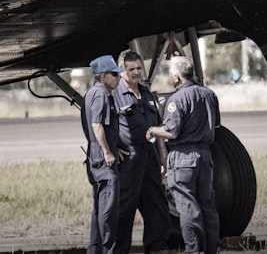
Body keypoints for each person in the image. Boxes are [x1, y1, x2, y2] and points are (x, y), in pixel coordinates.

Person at [146, 56, 220, 254]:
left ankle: (193, 249)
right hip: (205, 155)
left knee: (187, 205)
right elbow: (216, 125)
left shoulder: (176, 99)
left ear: (177, 77)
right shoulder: (209, 94)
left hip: (183, 157)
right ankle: (213, 248)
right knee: (207, 205)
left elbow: (172, 131)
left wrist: (153, 130)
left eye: (171, 75)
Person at [113, 51, 170, 254]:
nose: (137, 72)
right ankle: (119, 250)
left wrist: (162, 158)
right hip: (128, 163)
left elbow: (155, 129)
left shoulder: (146, 94)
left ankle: (157, 247)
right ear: (122, 72)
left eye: (139, 68)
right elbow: (98, 124)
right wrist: (111, 148)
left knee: (157, 205)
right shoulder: (114, 95)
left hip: (150, 160)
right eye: (132, 69)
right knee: (124, 210)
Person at [83, 54, 124, 254]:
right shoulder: (102, 94)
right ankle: (109, 250)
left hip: (94, 155)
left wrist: (114, 147)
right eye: (114, 75)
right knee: (108, 210)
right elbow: (97, 124)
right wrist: (108, 152)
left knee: (99, 208)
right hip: (104, 160)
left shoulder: (91, 93)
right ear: (103, 76)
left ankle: (95, 249)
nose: (118, 78)